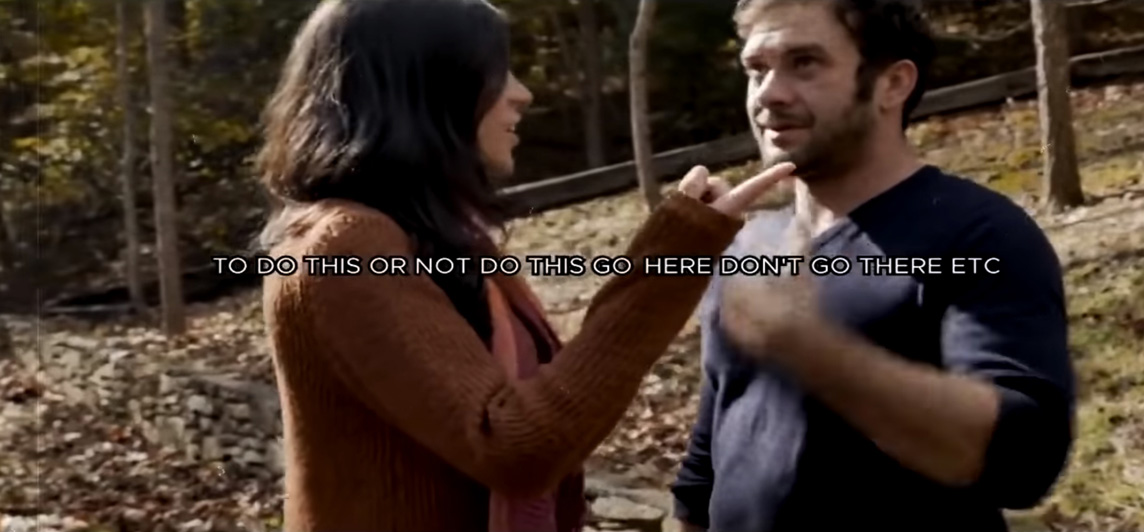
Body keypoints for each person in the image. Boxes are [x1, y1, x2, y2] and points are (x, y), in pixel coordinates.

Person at [254, 0, 795, 531]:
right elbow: (514, 446)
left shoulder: (434, 240)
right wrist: (671, 259)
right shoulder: (342, 248)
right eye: (496, 73)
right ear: (428, 88)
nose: (522, 93)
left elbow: (544, 403)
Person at [670, 1, 1077, 531]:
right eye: (756, 69)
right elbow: (710, 458)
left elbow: (1023, 462)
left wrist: (812, 350)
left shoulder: (976, 233)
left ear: (893, 84)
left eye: (804, 63)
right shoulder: (748, 243)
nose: (769, 93)